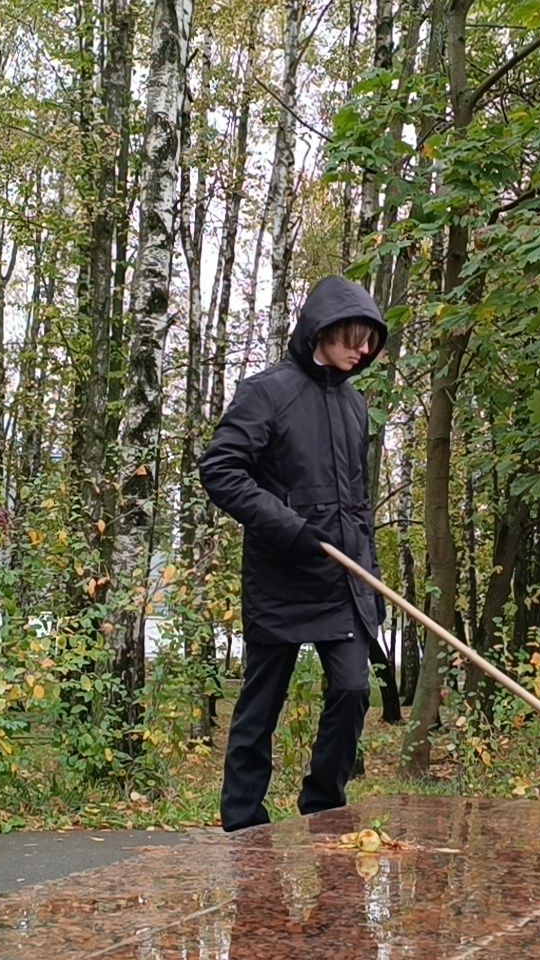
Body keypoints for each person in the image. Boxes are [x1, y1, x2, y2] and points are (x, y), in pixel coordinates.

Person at [199, 275, 388, 832]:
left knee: (353, 690)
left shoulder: (355, 405)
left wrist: (369, 578)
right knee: (261, 707)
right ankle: (244, 822)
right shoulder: (267, 391)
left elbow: (357, 503)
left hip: (342, 582)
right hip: (281, 575)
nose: (364, 351)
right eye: (355, 338)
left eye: (371, 342)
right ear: (322, 331)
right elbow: (221, 470)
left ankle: (325, 808)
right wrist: (289, 527)